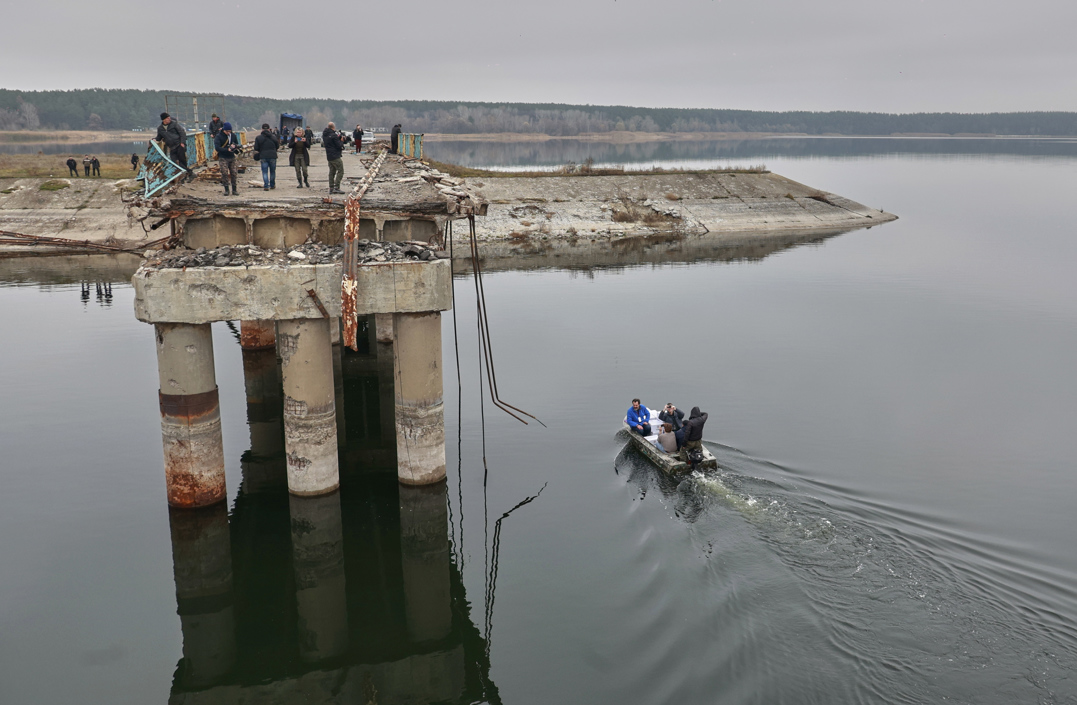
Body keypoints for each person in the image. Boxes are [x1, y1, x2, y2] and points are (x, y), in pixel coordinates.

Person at [156, 112, 192, 182]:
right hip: (171, 147)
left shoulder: (174, 124)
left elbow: (182, 133)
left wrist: (182, 142)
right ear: (163, 120)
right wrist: (154, 140)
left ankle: (184, 176)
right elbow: (159, 137)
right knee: (174, 163)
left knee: (182, 161)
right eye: (167, 118)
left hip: (179, 145)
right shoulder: (160, 128)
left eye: (169, 118)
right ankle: (189, 173)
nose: (169, 119)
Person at [214, 122, 241, 195]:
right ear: (224, 130)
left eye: (230, 131)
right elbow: (217, 148)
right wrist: (227, 149)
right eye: (227, 131)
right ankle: (226, 190)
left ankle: (234, 190)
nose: (229, 133)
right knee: (224, 173)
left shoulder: (233, 135)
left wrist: (235, 147)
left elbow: (237, 143)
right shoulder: (218, 136)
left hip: (232, 157)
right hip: (223, 157)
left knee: (234, 173)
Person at [253, 122, 280, 190]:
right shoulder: (274, 137)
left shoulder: (258, 138)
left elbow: (256, 148)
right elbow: (277, 146)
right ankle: (272, 185)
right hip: (273, 156)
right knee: (272, 171)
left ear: (262, 129)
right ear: (269, 129)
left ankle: (266, 185)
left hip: (263, 156)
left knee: (265, 172)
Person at [322, 121, 345, 194]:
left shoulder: (325, 135)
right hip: (335, 155)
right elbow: (338, 146)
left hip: (329, 156)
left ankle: (331, 187)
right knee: (340, 170)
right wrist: (341, 141)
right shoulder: (334, 135)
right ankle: (336, 187)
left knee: (332, 172)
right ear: (333, 127)